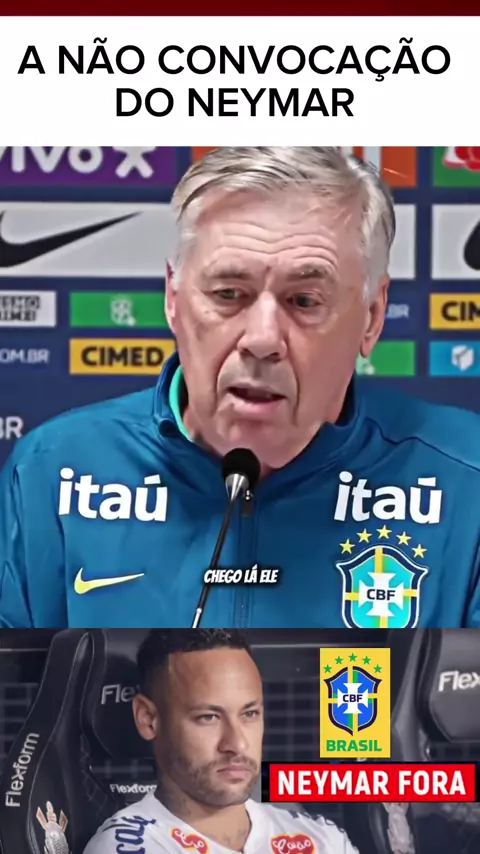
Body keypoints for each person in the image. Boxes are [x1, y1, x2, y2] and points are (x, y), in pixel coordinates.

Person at [1, 146, 480, 629]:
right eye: (229, 294)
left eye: (304, 300)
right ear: (173, 297)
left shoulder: (466, 482)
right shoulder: (52, 472)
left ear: (372, 317)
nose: (262, 339)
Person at [83, 629, 359, 854]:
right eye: (209, 717)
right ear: (148, 719)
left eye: (249, 714)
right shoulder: (127, 846)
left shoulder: (322, 840)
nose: (237, 744)